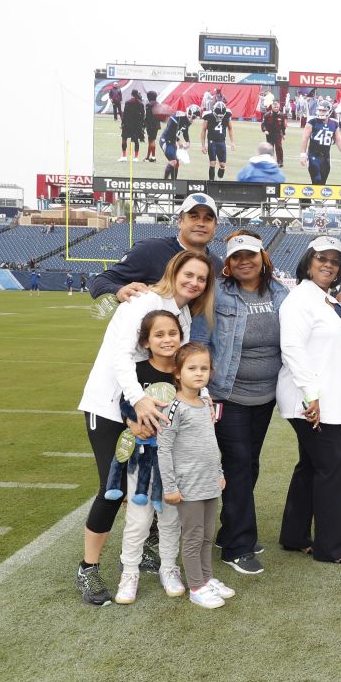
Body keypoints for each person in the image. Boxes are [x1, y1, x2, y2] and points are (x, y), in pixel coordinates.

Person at [74, 249, 216, 606]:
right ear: (174, 270)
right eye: (189, 275)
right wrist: (136, 403)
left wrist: (202, 396)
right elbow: (123, 356)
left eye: (201, 278)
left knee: (153, 479)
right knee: (114, 486)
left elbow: (176, 365)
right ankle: (88, 567)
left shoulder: (182, 312)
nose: (194, 283)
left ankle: (149, 551)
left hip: (148, 406)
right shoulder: (144, 301)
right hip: (110, 404)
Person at [191, 231, 290, 576]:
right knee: (238, 464)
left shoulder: (280, 292)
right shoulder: (218, 293)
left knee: (249, 466)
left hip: (265, 396)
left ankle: (228, 529)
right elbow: (199, 340)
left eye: (250, 255)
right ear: (229, 264)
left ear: (262, 257)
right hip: (227, 395)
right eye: (236, 257)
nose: (244, 261)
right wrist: (200, 388)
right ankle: (238, 546)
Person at [276, 236, 341, 565]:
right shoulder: (300, 299)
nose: (328, 264)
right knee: (333, 466)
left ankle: (295, 535)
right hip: (313, 399)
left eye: (334, 260)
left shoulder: (324, 299)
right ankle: (334, 547)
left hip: (325, 396)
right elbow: (293, 349)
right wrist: (311, 395)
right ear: (308, 262)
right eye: (321, 258)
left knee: (312, 465)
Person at [110, 310, 187, 605]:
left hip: (176, 461)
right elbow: (123, 405)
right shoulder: (137, 372)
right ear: (146, 340)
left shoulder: (184, 370)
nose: (167, 340)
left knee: (170, 520)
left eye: (172, 333)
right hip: (141, 460)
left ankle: (169, 568)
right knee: (138, 521)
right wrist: (132, 424)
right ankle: (129, 572)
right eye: (159, 334)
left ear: (181, 336)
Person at [157, 342, 234, 609]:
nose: (199, 373)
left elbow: (211, 442)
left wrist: (219, 472)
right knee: (192, 536)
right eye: (192, 368)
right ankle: (196, 587)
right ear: (177, 372)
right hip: (187, 487)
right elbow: (164, 448)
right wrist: (170, 486)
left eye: (204, 368)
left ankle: (207, 578)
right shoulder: (174, 407)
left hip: (209, 483)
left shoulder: (205, 402)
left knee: (206, 535)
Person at [89, 193, 222, 303]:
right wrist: (118, 290)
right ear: (180, 221)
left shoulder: (216, 264)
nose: (201, 223)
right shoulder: (150, 250)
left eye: (208, 219)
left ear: (215, 227)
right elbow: (100, 282)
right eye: (194, 216)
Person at [300, 99, 341, 185]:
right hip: (313, 155)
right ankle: (305, 197)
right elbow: (305, 138)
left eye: (324, 110)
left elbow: (338, 140)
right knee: (316, 179)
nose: (321, 112)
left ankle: (305, 197)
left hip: (326, 156)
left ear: (329, 111)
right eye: (320, 110)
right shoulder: (312, 121)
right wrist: (303, 154)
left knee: (322, 182)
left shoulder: (334, 123)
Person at [159, 106, 201, 180]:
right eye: (194, 117)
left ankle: (174, 182)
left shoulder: (188, 120)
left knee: (176, 163)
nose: (193, 119)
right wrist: (178, 140)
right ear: (190, 113)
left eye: (195, 117)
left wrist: (188, 141)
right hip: (166, 140)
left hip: (172, 142)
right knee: (173, 162)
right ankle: (164, 182)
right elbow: (170, 130)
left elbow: (185, 130)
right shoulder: (177, 116)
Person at [201, 101, 234, 181]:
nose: (220, 117)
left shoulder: (227, 114)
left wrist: (232, 142)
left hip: (222, 142)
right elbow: (203, 130)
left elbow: (230, 128)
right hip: (212, 142)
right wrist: (203, 145)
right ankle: (211, 182)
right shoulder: (208, 115)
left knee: (222, 165)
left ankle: (219, 181)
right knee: (212, 163)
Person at [118, 89, 146, 163]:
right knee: (136, 140)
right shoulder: (141, 104)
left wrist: (122, 123)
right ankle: (136, 157)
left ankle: (124, 156)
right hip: (136, 125)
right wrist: (142, 126)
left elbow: (125, 114)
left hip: (127, 124)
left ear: (131, 94)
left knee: (124, 139)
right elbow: (143, 116)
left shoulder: (128, 102)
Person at [260, 100, 288, 166]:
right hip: (269, 134)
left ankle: (280, 162)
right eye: (275, 107)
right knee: (270, 147)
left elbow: (283, 126)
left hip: (278, 134)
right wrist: (265, 130)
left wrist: (283, 134)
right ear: (272, 107)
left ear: (279, 107)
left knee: (279, 147)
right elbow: (263, 124)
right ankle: (270, 161)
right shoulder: (267, 115)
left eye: (277, 107)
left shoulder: (282, 115)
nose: (276, 108)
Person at [144, 90, 163, 162]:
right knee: (151, 140)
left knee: (151, 141)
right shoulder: (158, 104)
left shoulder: (148, 105)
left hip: (150, 125)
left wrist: (144, 124)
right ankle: (148, 157)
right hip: (156, 125)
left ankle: (153, 157)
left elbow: (147, 116)